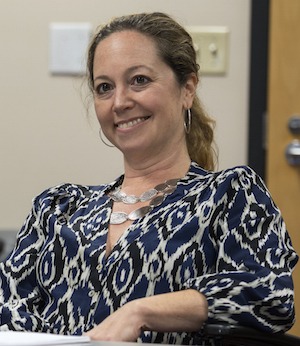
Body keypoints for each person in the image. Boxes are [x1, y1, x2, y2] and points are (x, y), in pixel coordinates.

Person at [0, 12, 298, 344]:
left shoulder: (227, 196)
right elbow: (10, 315)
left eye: (139, 80)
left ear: (187, 89)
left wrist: (140, 312)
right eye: (104, 87)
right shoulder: (57, 209)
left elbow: (269, 294)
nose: (120, 101)